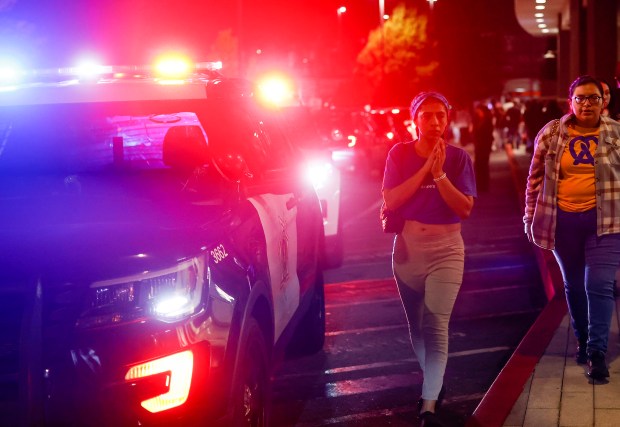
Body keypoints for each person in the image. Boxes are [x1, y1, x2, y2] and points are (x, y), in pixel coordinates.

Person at [382, 92, 476, 426]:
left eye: (440, 115)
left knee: (436, 324)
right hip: (407, 251)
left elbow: (464, 208)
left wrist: (439, 174)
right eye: (427, 116)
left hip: (446, 251)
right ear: (415, 120)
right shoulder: (399, 154)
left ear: (447, 119)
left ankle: (429, 404)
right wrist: (425, 168)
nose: (434, 122)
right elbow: (392, 200)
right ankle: (434, 381)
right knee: (417, 325)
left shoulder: (459, 158)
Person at [524, 75, 620, 381]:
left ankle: (597, 352)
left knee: (599, 284)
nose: (587, 103)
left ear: (603, 102)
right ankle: (582, 340)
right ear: (571, 102)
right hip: (563, 222)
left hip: (606, 222)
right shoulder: (552, 133)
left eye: (593, 98)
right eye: (580, 98)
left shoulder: (616, 133)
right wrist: (529, 217)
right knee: (575, 285)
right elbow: (535, 178)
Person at [471, 103, 494, 192]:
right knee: (479, 166)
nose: (478, 113)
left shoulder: (487, 121)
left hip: (484, 147)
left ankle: (483, 186)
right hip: (479, 147)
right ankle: (480, 185)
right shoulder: (479, 120)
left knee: (483, 166)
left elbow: (488, 135)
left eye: (479, 111)